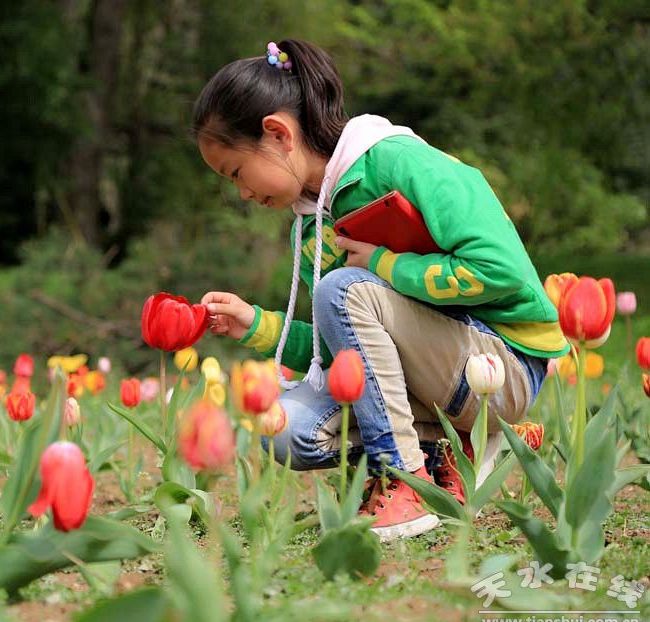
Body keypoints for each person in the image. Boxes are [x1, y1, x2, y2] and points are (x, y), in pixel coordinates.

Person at [194, 39, 566, 541]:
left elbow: (500, 270)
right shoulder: (312, 229)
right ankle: (448, 451)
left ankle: (404, 481)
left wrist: (385, 264)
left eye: (236, 172)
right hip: (429, 379)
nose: (241, 192)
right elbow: (343, 351)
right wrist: (255, 326)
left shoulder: (400, 162)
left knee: (344, 289)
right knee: (285, 428)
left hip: (503, 366)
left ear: (278, 133)